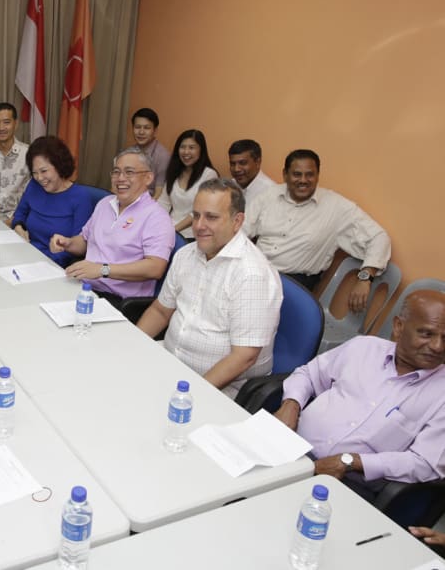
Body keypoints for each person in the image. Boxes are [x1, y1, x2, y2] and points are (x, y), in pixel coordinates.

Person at [275, 290, 445, 495]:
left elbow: (424, 463)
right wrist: (291, 404)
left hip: (346, 480)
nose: (437, 347)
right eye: (426, 334)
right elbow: (308, 375)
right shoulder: (363, 347)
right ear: (399, 326)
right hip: (290, 445)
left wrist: (351, 462)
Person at [137, 178, 282, 398]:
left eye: (211, 217)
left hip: (218, 387)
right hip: (170, 362)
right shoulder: (186, 254)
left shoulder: (251, 274)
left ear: (237, 221)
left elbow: (244, 356)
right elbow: (160, 311)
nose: (198, 225)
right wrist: (132, 346)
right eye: (196, 215)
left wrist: (188, 395)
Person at [243, 149, 391, 312]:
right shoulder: (268, 196)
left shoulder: (337, 207)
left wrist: (365, 278)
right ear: (285, 174)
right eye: (297, 174)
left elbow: (379, 237)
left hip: (294, 287)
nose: (303, 180)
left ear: (318, 175)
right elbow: (238, 232)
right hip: (255, 275)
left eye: (310, 175)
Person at [50, 148, 173, 305]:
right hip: (84, 286)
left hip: (118, 299)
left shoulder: (157, 217)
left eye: (129, 172)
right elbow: (84, 242)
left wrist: (103, 270)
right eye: (116, 172)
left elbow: (155, 267)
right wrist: (67, 243)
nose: (120, 178)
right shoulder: (105, 204)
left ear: (148, 177)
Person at [12, 136, 93, 266]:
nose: (39, 178)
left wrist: (41, 261)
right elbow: (20, 214)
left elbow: (79, 246)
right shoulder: (34, 185)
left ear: (59, 166)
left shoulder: (80, 197)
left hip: (53, 264)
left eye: (44, 171)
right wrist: (18, 227)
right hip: (24, 253)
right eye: (35, 172)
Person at [157, 129, 218, 239]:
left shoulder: (209, 175)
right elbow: (163, 203)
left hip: (193, 235)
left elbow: (199, 210)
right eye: (183, 147)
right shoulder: (174, 171)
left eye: (191, 148)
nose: (186, 152)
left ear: (201, 150)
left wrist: (173, 230)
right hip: (168, 230)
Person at [129, 107, 170, 199]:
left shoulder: (163, 156)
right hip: (127, 199)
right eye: (137, 127)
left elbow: (159, 193)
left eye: (146, 128)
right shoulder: (129, 152)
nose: (141, 132)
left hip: (148, 203)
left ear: (155, 131)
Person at [227, 139, 275, 205]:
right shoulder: (229, 187)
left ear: (258, 162)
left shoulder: (270, 192)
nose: (236, 169)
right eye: (232, 164)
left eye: (242, 163)